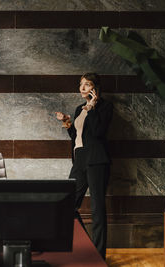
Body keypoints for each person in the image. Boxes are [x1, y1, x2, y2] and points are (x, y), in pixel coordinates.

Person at [55, 73, 113, 260]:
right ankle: (88, 246)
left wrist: (93, 108)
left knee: (97, 209)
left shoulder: (105, 107)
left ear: (95, 88)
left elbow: (98, 132)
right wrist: (67, 122)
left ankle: (99, 255)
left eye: (87, 85)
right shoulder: (79, 108)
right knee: (67, 206)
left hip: (96, 160)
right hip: (79, 160)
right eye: (81, 85)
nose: (82, 88)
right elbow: (77, 137)